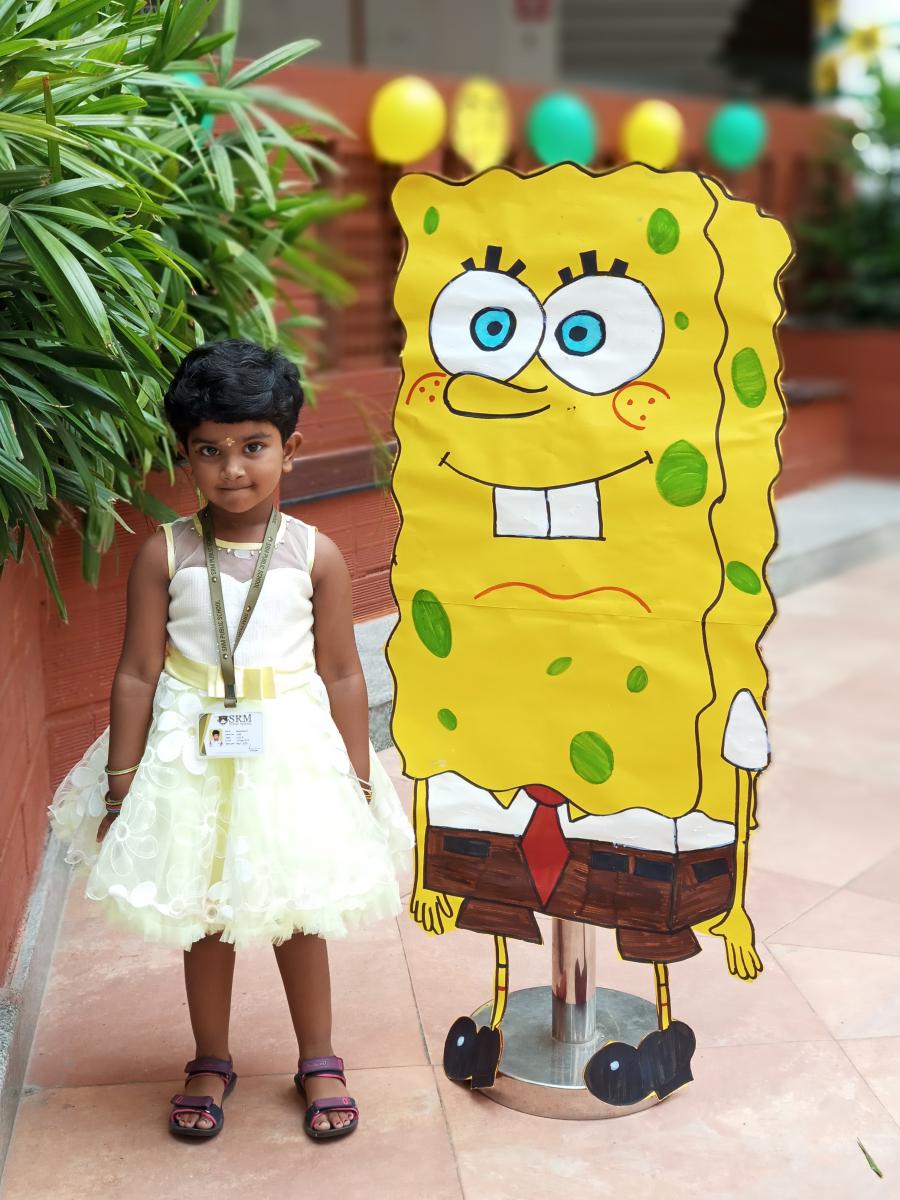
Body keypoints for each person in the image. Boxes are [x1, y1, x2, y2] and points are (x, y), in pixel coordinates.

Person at [49, 339, 413, 1142]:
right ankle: (210, 1058)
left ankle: (318, 1057)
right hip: (191, 754)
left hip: (290, 756)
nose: (233, 469)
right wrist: (122, 782)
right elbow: (137, 672)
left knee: (299, 908)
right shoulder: (165, 552)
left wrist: (357, 778)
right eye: (209, 451)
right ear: (185, 456)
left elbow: (342, 673)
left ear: (291, 447)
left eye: (253, 446)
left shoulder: (315, 555)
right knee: (205, 911)